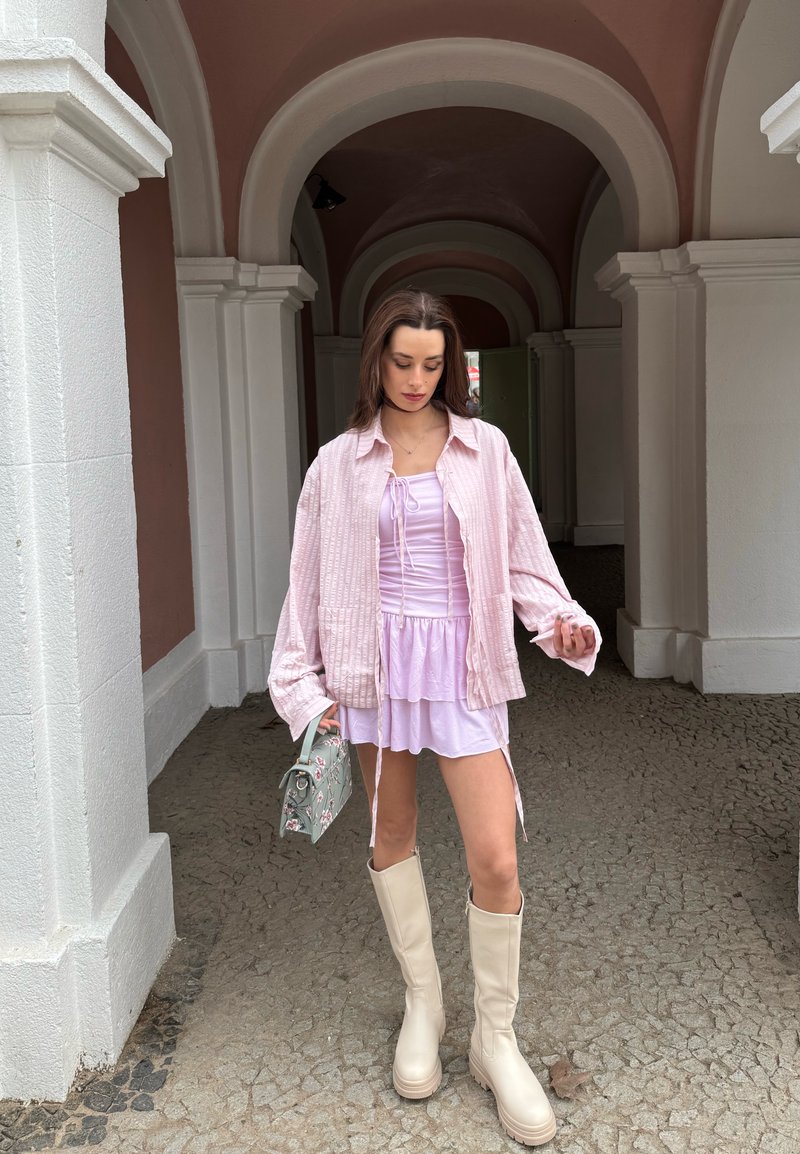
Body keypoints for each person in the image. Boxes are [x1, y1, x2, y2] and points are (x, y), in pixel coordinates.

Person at [269, 288, 600, 1148]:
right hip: (373, 672)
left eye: (432, 364)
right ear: (376, 358)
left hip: (462, 666)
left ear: (449, 366)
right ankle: (425, 1002)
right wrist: (308, 696)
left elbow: (525, 559)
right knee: (392, 838)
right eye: (402, 361)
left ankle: (496, 1038)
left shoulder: (485, 449)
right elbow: (304, 587)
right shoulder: (335, 464)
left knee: (496, 855)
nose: (417, 379)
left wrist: (559, 622)